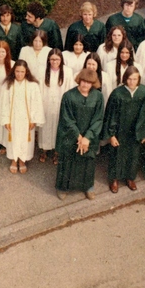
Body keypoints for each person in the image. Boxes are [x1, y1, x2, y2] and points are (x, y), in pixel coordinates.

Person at [55, 69, 104, 200]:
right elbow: (67, 119)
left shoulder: (98, 96)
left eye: (89, 82)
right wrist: (79, 136)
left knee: (88, 162)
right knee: (68, 161)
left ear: (93, 83)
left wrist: (87, 137)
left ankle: (88, 186)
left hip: (89, 137)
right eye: (83, 81)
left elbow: (98, 119)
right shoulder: (68, 96)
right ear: (79, 80)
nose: (85, 85)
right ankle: (63, 187)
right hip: (71, 136)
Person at [103, 66, 145, 192]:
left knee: (134, 155)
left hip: (135, 131)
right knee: (116, 155)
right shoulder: (117, 93)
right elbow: (110, 115)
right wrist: (111, 135)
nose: (132, 82)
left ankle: (130, 178)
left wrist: (143, 133)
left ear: (138, 79)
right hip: (120, 131)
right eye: (129, 79)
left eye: (135, 79)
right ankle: (114, 179)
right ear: (125, 79)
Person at [0, 60, 45, 174]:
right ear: (14, 71)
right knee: (13, 139)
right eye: (17, 71)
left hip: (26, 118)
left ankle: (22, 160)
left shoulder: (32, 85)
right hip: (12, 117)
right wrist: (5, 119)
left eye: (22, 72)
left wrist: (34, 120)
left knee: (25, 140)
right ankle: (14, 160)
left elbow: (36, 103)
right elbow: (4, 103)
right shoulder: (8, 85)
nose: (19, 74)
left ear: (26, 72)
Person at [38, 49, 74, 164]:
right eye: (52, 59)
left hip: (60, 105)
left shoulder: (67, 72)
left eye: (57, 59)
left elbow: (70, 90)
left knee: (58, 128)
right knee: (45, 128)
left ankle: (57, 152)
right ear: (48, 59)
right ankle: (44, 149)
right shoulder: (42, 71)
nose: (54, 61)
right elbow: (38, 90)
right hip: (46, 104)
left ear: (61, 60)